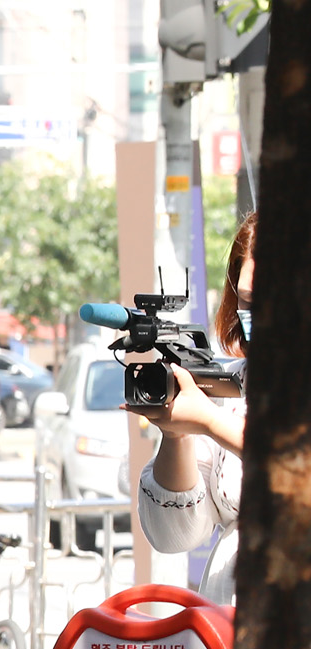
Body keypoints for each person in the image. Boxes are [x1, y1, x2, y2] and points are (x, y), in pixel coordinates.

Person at [133, 210, 253, 604]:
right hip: (228, 630)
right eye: (248, 301)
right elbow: (174, 535)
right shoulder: (230, 386)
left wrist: (210, 421)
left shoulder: (218, 411)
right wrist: (178, 433)